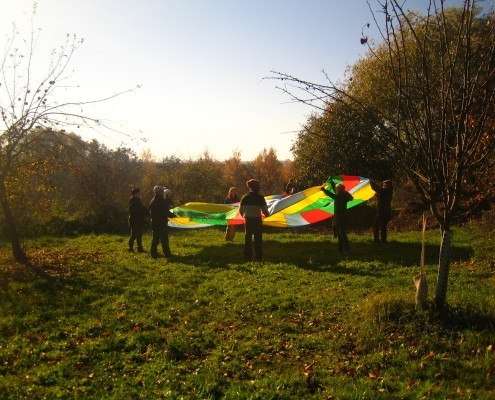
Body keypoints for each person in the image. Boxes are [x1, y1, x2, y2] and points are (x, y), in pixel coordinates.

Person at [239, 179, 270, 261]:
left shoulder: (244, 198)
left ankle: (247, 257)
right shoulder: (260, 198)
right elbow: (265, 210)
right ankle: (259, 257)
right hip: (257, 221)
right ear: (257, 187)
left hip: (248, 220)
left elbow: (240, 211)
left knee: (247, 239)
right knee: (258, 240)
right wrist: (267, 215)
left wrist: (245, 216)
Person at [321, 179, 354, 255]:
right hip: (341, 215)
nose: (335, 190)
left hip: (340, 216)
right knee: (340, 233)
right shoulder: (343, 194)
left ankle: (347, 249)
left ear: (339, 190)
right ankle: (341, 249)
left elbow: (332, 195)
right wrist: (332, 183)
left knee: (341, 233)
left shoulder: (340, 196)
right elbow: (335, 190)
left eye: (336, 189)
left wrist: (324, 190)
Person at [149, 186, 177, 259]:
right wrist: (173, 216)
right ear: (158, 192)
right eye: (162, 191)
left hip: (156, 223)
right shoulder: (159, 201)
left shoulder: (155, 200)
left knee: (155, 240)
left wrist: (167, 199)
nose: (163, 192)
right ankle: (167, 255)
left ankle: (153, 254)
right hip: (160, 223)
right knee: (163, 240)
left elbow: (165, 209)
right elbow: (165, 211)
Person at [128, 187, 149, 252]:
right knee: (134, 234)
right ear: (135, 194)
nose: (140, 193)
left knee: (139, 235)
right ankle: (131, 248)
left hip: (139, 220)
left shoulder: (138, 200)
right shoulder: (133, 201)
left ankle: (139, 248)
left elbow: (142, 209)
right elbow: (138, 210)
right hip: (135, 220)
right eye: (139, 192)